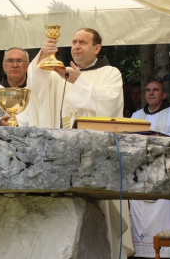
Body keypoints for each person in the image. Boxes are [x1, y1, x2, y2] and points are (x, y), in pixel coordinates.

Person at [29, 28, 131, 258]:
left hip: (96, 161)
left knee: (101, 224)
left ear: (97, 48)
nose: (76, 46)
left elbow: (110, 103)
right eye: (74, 42)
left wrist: (79, 82)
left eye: (83, 42)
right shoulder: (59, 76)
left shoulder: (110, 73)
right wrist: (42, 57)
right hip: (64, 161)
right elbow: (37, 88)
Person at [129, 81, 170, 258]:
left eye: (155, 90)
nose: (151, 93)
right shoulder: (136, 115)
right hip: (140, 175)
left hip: (164, 174)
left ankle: (167, 251)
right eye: (147, 90)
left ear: (163, 95)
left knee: (163, 215)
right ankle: (141, 252)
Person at [0, 47, 38, 127]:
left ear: (27, 66)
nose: (14, 65)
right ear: (4, 66)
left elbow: (43, 117)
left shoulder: (36, 92)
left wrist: (19, 121)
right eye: (10, 61)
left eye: (19, 61)